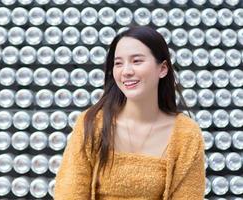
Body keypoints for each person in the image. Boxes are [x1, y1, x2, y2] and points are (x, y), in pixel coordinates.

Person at [54, 25, 206, 200]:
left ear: (163, 69)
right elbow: (69, 194)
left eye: (136, 61)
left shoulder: (187, 134)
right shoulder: (92, 123)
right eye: (118, 63)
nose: (126, 71)